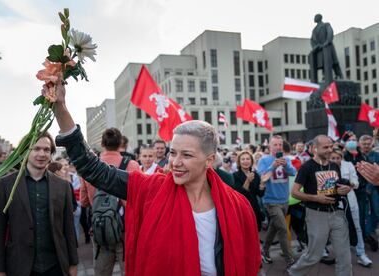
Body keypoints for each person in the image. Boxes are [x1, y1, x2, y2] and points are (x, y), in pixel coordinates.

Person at [52, 83, 261, 275]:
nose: (175, 162)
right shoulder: (152, 188)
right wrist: (61, 109)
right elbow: (94, 169)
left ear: (209, 160)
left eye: (186, 155)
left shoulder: (237, 206)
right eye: (173, 153)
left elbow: (249, 260)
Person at [0, 132, 78, 276]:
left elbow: (68, 228)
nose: (41, 154)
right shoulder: (5, 185)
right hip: (20, 267)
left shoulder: (63, 186)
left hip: (56, 267)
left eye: (46, 149)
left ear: (51, 153)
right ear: (25, 151)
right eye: (36, 149)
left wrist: (73, 263)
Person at [80, 127, 140, 276]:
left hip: (100, 227)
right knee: (129, 270)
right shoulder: (132, 165)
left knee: (101, 271)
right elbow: (139, 198)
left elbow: (84, 201)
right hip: (126, 228)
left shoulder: (90, 167)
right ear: (120, 143)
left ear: (102, 143)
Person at [288, 135, 351, 276]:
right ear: (314, 149)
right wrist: (316, 198)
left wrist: (345, 189)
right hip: (316, 215)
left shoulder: (334, 165)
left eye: (331, 146)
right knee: (314, 255)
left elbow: (337, 187)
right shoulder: (306, 167)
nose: (330, 150)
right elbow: (294, 193)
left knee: (344, 255)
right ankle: (293, 273)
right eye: (326, 147)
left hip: (337, 214)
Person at [257, 135, 296, 267]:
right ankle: (290, 260)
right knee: (283, 230)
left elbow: (293, 172)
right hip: (270, 200)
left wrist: (286, 166)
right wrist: (272, 166)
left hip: (284, 200)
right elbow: (262, 177)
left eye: (280, 145)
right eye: (275, 145)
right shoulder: (264, 160)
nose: (278, 147)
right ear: (270, 146)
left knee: (274, 228)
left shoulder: (286, 159)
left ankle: (265, 251)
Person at [330, 149, 372, 267]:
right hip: (335, 204)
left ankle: (361, 254)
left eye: (338, 158)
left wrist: (350, 185)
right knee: (338, 230)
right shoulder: (326, 167)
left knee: (357, 227)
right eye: (333, 158)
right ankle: (341, 256)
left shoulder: (348, 165)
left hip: (351, 200)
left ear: (342, 157)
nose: (335, 160)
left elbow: (356, 181)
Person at [232, 151, 271, 231]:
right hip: (242, 210)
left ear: (251, 161)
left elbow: (260, 194)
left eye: (248, 159)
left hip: (254, 209)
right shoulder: (235, 175)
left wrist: (262, 183)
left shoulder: (255, 174)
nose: (245, 161)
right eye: (243, 159)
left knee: (256, 232)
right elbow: (239, 194)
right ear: (239, 162)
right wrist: (248, 180)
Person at [309, 14, 343, 84]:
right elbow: (312, 40)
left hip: (328, 48)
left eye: (315, 17)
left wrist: (326, 42)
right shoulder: (314, 30)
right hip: (320, 50)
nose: (314, 18)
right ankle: (325, 76)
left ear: (319, 18)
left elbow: (330, 33)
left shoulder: (326, 25)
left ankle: (339, 75)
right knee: (324, 64)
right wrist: (315, 47)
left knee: (334, 63)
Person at [359, 135, 379, 251]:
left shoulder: (377, 156)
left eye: (368, 144)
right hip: (360, 189)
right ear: (360, 144)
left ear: (372, 144)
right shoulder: (357, 156)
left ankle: (371, 231)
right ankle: (366, 234)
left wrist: (370, 186)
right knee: (364, 212)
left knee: (376, 211)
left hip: (375, 189)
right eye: (364, 144)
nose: (366, 146)